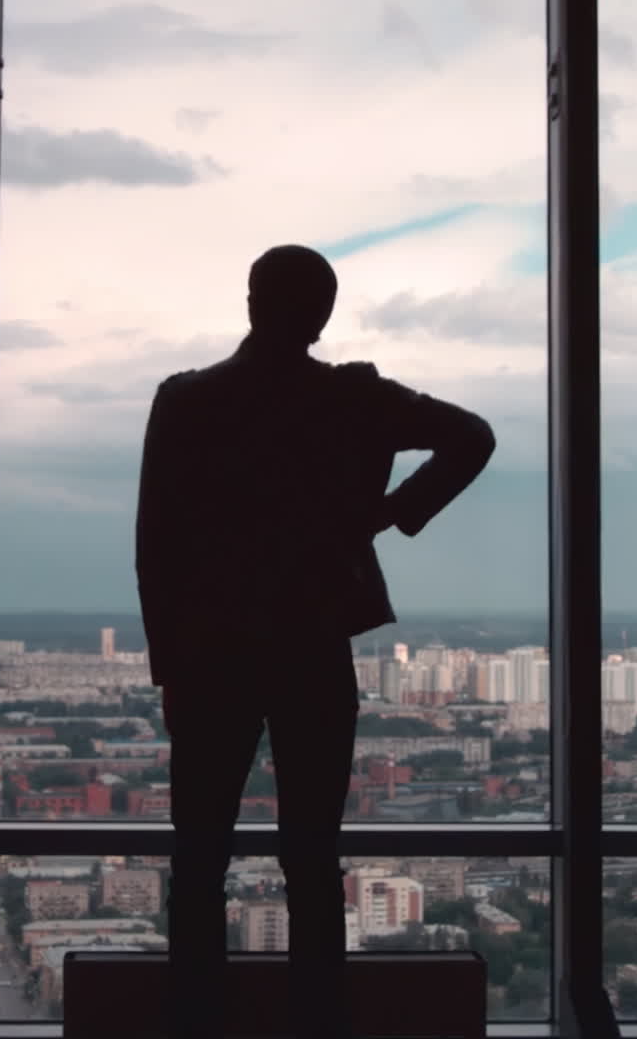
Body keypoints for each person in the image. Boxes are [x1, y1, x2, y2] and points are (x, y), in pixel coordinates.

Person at [136, 244, 495, 1039]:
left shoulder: (188, 400)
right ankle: (318, 1020)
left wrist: (170, 667)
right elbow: (473, 437)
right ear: (323, 315)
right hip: (311, 647)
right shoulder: (354, 399)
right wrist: (390, 513)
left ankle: (194, 1019)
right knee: (310, 855)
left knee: (199, 857)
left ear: (251, 302)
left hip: (212, 655)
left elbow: (154, 545)